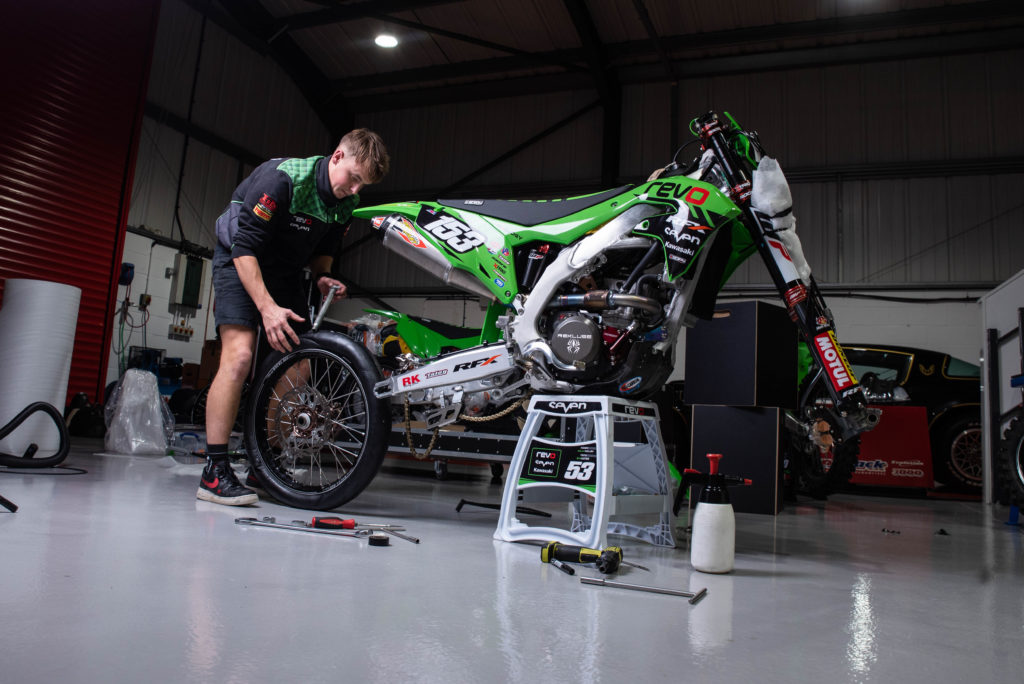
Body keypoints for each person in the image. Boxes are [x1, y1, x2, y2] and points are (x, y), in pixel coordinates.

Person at [197, 129, 390, 505]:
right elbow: (244, 247)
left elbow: (324, 250)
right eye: (353, 178)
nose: (354, 190)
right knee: (239, 357)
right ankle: (214, 472)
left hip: (284, 273)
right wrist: (267, 308)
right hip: (239, 259)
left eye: (362, 185)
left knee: (297, 364)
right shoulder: (283, 180)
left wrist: (322, 276)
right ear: (337, 157)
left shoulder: (346, 202)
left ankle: (262, 463)